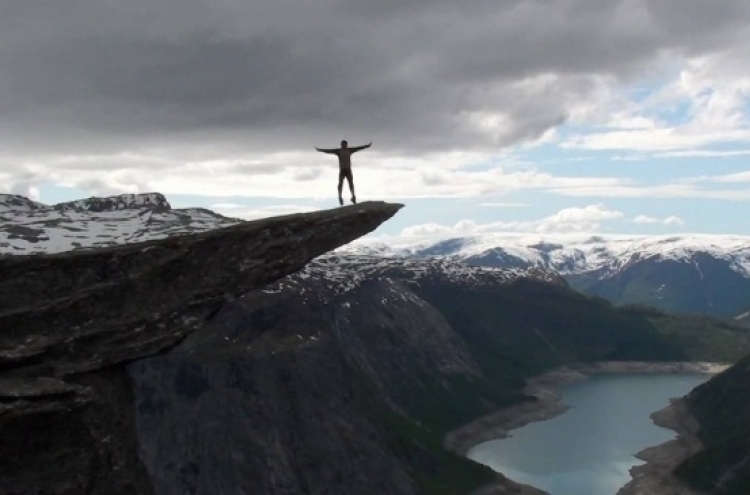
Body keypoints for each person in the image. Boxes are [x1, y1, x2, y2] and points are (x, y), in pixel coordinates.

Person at [315, 140, 372, 205]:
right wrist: (320, 150)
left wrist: (367, 146)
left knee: (351, 184)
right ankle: (340, 197)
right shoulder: (338, 151)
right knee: (340, 184)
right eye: (342, 145)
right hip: (342, 170)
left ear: (346, 145)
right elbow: (329, 151)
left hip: (348, 170)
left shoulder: (349, 150)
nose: (343, 146)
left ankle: (353, 197)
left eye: (344, 145)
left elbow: (358, 148)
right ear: (341, 145)